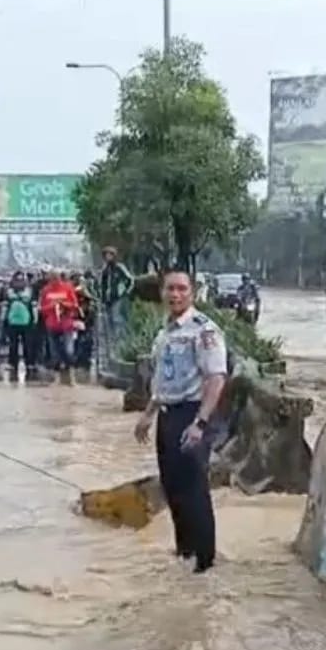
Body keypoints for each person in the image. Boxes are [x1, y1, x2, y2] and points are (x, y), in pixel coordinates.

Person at [134, 271, 228, 574]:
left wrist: (200, 423)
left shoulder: (204, 331)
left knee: (194, 490)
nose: (175, 294)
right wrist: (148, 414)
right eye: (170, 289)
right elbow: (162, 380)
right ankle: (184, 554)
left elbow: (216, 378)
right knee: (172, 488)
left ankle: (205, 563)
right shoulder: (165, 334)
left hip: (193, 414)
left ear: (193, 293)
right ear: (162, 293)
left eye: (181, 289)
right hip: (167, 416)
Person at [38, 268, 81, 385]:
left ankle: (71, 378)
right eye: (52, 277)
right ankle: (57, 379)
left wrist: (64, 304)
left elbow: (75, 305)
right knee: (54, 352)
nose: (54, 280)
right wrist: (51, 306)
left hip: (66, 324)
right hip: (52, 325)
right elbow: (41, 309)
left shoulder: (67, 288)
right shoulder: (45, 290)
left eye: (56, 277)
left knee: (69, 351)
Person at [98, 246, 134, 366]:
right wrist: (101, 298)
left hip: (117, 299)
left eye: (110, 255)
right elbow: (102, 286)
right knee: (110, 325)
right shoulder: (105, 270)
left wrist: (124, 293)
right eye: (106, 255)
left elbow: (130, 280)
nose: (108, 257)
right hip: (107, 301)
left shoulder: (119, 268)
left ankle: (121, 347)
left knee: (118, 321)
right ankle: (113, 350)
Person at [3, 271, 37, 380]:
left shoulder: (30, 292)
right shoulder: (8, 292)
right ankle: (12, 363)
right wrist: (4, 319)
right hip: (12, 321)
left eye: (21, 279)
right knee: (13, 345)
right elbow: (5, 306)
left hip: (27, 321)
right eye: (17, 279)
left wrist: (35, 319)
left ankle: (30, 363)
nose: (19, 282)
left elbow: (34, 306)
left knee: (28, 344)